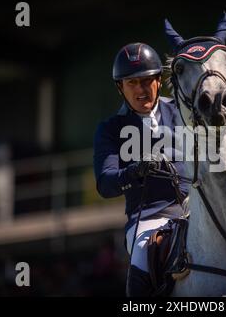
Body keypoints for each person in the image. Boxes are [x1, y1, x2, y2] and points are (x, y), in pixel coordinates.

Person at [93, 42, 189, 296]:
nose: (140, 90)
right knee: (142, 258)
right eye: (131, 83)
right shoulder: (111, 129)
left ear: (159, 80)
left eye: (146, 80)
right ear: (120, 88)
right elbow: (105, 183)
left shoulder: (183, 110)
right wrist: (135, 171)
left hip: (199, 206)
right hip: (150, 219)